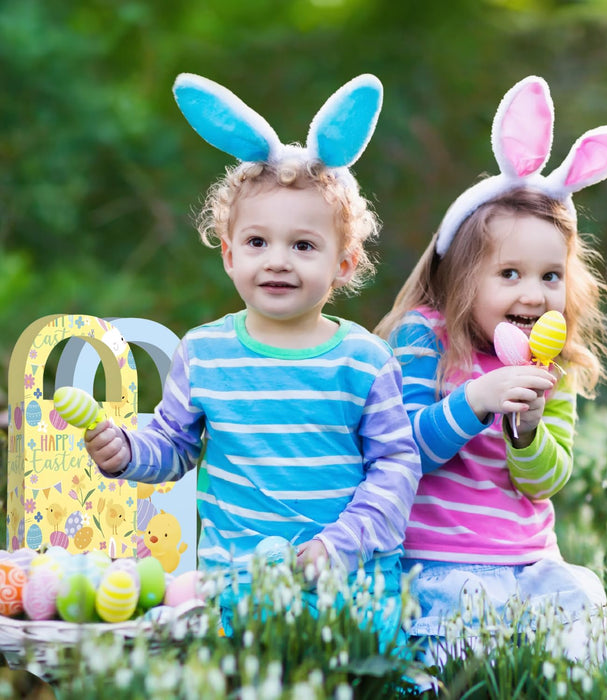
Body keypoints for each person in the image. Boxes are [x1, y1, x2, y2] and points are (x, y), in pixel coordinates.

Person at [84, 72, 421, 641]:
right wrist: (124, 452)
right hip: (237, 593)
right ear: (229, 255)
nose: (278, 261)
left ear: (344, 263)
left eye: (304, 245)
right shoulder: (206, 353)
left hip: (348, 591)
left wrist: (342, 544)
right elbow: (173, 446)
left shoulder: (364, 360)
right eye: (258, 242)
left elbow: (396, 467)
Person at [375, 75, 607, 665]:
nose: (533, 294)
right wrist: (476, 398)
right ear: (461, 276)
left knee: (580, 596)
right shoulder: (425, 336)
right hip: (439, 561)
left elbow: (544, 481)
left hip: (531, 559)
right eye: (509, 274)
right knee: (469, 632)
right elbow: (402, 452)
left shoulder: (548, 363)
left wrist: (527, 431)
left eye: (549, 276)